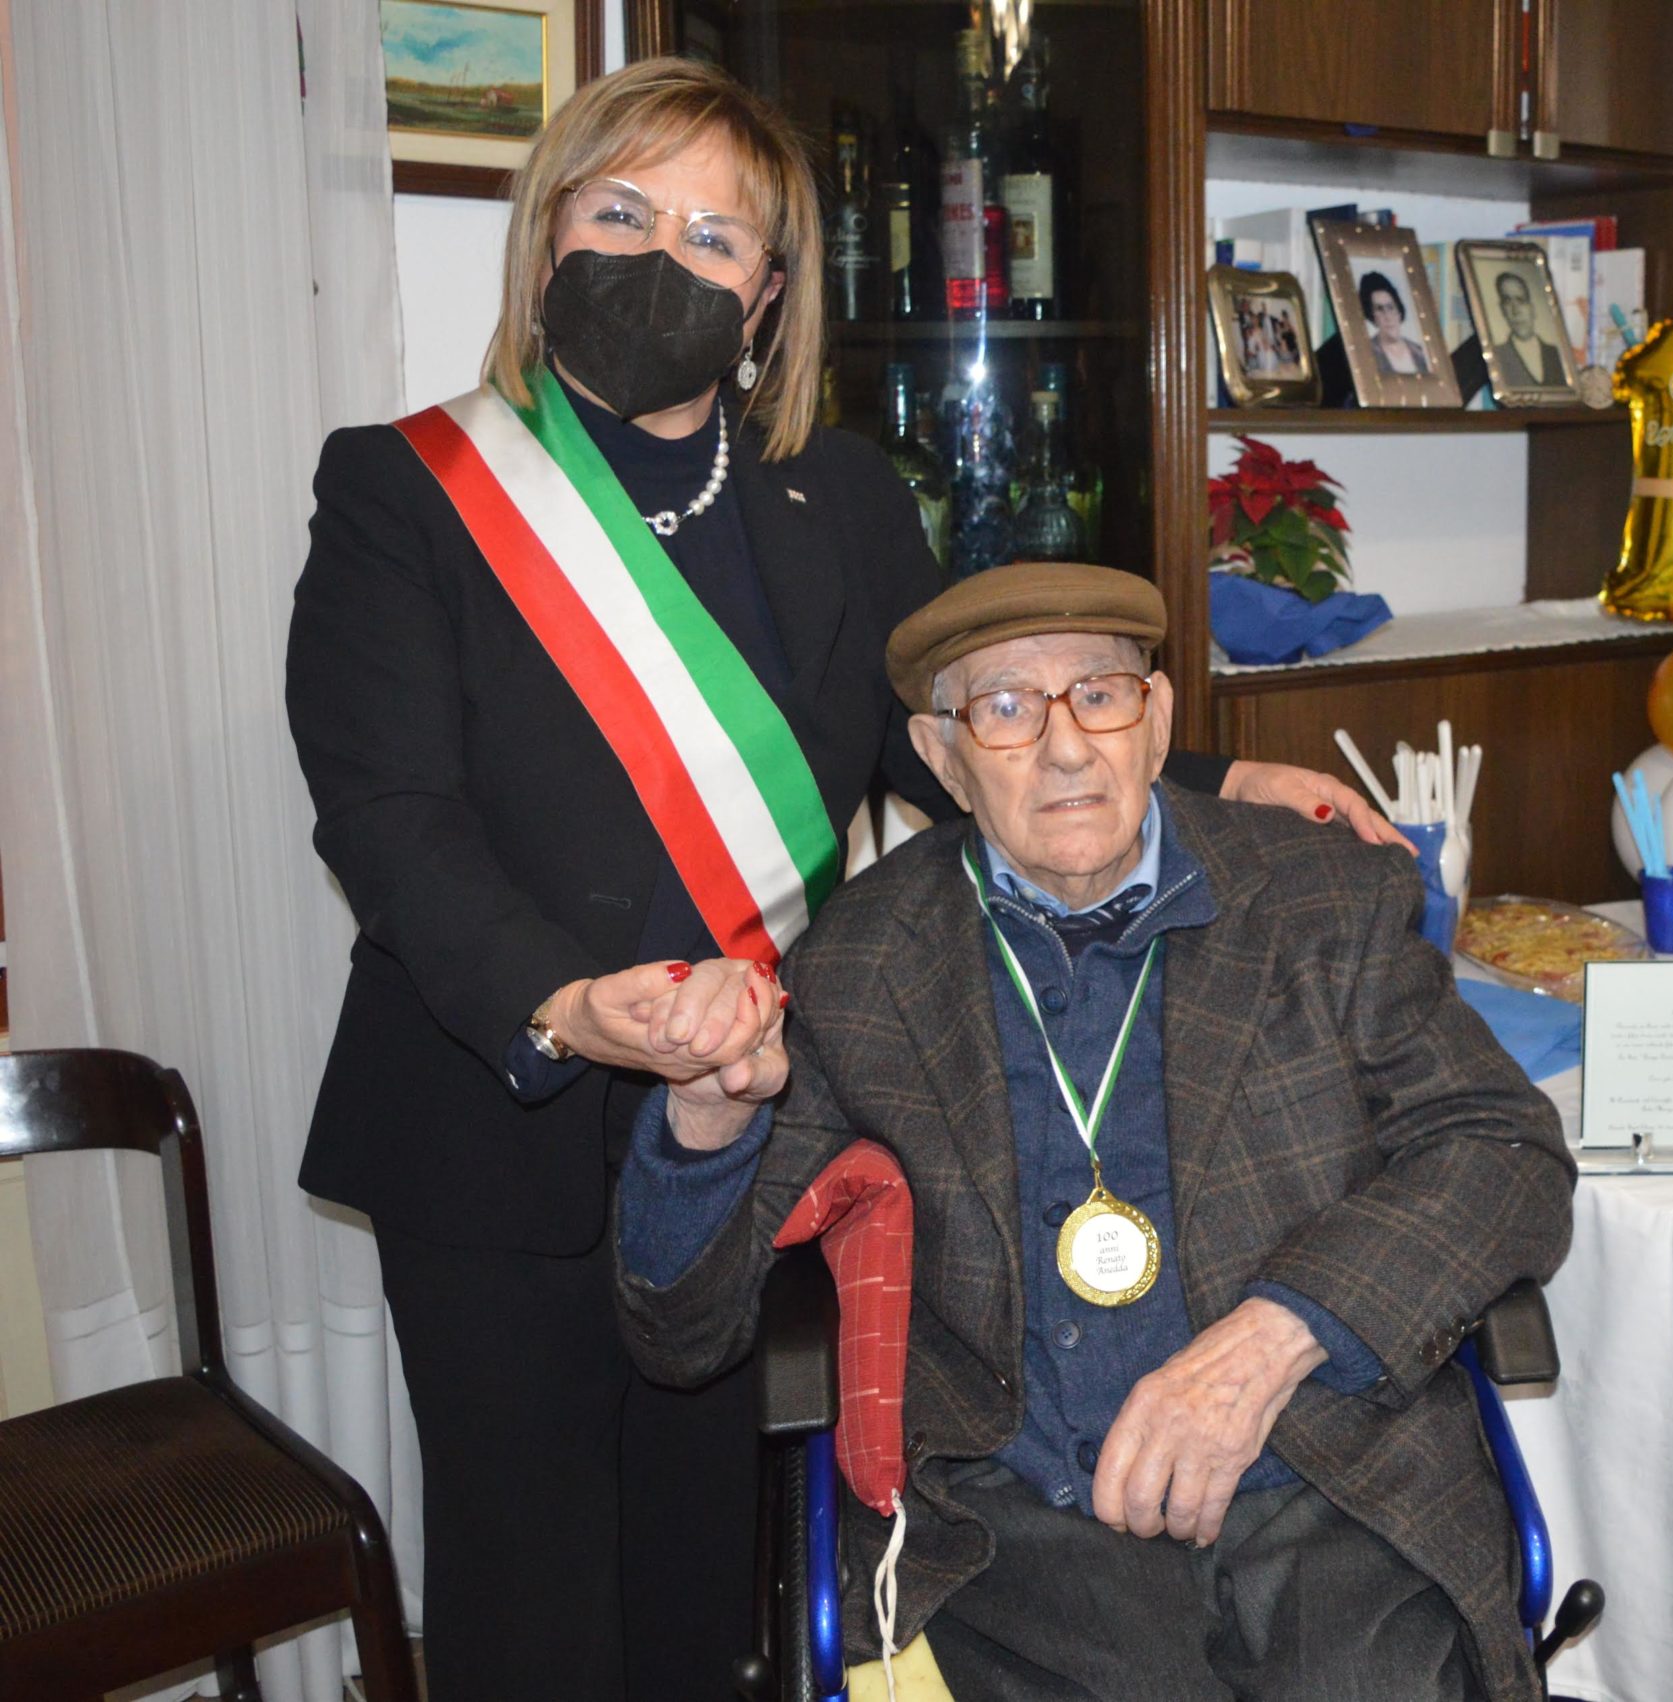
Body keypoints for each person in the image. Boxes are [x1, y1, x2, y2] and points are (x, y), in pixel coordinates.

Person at [284, 58, 1396, 1702]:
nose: (662, 259)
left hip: (746, 1128)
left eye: (715, 236)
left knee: (705, 1579)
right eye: (622, 212)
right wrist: (572, 1003)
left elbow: (955, 740)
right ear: (548, 235)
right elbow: (390, 819)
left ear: (768, 296)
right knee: (531, 1603)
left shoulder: (841, 495)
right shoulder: (410, 490)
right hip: (498, 1125)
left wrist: (1220, 784)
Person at [615, 561, 1577, 1702]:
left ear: (1157, 720)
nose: (1066, 748)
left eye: (1101, 695)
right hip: (1021, 1534)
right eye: (1006, 708)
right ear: (942, 758)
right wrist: (708, 1117)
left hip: (1331, 1485)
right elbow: (683, 1334)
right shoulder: (863, 960)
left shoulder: (1323, 897)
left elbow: (1501, 1148)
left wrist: (1276, 1335)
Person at [1489, 269, 1570, 388]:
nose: (1516, 310)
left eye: (1521, 300)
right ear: (1502, 310)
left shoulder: (1555, 354)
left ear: (1532, 308)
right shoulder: (1497, 356)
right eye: (1507, 301)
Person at [1359, 269, 1433, 376]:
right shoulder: (1367, 355)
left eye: (1390, 307)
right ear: (1372, 316)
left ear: (1399, 311)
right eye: (1379, 309)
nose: (1387, 316)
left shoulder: (1421, 352)